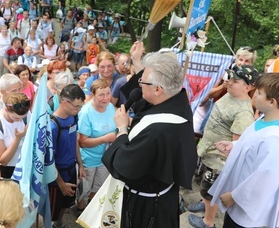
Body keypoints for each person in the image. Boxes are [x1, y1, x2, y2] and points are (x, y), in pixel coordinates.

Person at [101, 50, 198, 228]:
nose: (139, 85)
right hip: (164, 195)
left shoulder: (157, 131)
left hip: (147, 207)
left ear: (158, 89)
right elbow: (145, 99)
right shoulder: (178, 102)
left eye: (142, 82)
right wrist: (137, 61)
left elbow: (123, 166)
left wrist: (122, 129)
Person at [188, 65, 259, 228]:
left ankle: (208, 221)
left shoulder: (243, 112)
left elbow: (236, 147)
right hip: (208, 151)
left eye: (235, 80)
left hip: (218, 162)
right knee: (205, 187)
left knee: (211, 190)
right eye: (229, 78)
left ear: (247, 87)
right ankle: (205, 202)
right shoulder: (230, 95)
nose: (229, 81)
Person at [207, 73, 279, 227]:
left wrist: (234, 197)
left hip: (246, 209)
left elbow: (264, 178)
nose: (255, 96)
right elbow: (252, 141)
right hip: (236, 200)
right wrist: (234, 145)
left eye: (259, 93)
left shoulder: (274, 139)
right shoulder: (264, 119)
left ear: (272, 102)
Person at [49, 84, 86, 228]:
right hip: (56, 178)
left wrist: (80, 165)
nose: (78, 110)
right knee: (52, 210)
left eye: (80, 106)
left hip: (71, 171)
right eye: (77, 106)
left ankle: (59, 224)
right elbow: (49, 160)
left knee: (66, 203)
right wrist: (61, 184)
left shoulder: (72, 118)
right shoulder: (53, 126)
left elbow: (74, 141)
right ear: (64, 102)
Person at [77, 79, 116, 210]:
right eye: (101, 95)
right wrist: (106, 138)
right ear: (93, 95)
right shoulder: (86, 113)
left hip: (105, 158)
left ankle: (92, 211)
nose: (106, 98)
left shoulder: (110, 107)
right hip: (89, 159)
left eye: (108, 93)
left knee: (98, 188)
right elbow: (82, 142)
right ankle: (81, 210)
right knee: (84, 191)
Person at [0, 93, 29, 178]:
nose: (20, 121)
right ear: (6, 110)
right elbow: (3, 161)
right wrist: (17, 139)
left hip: (25, 164)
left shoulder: (27, 115)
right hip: (6, 170)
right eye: (16, 118)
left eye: (23, 117)